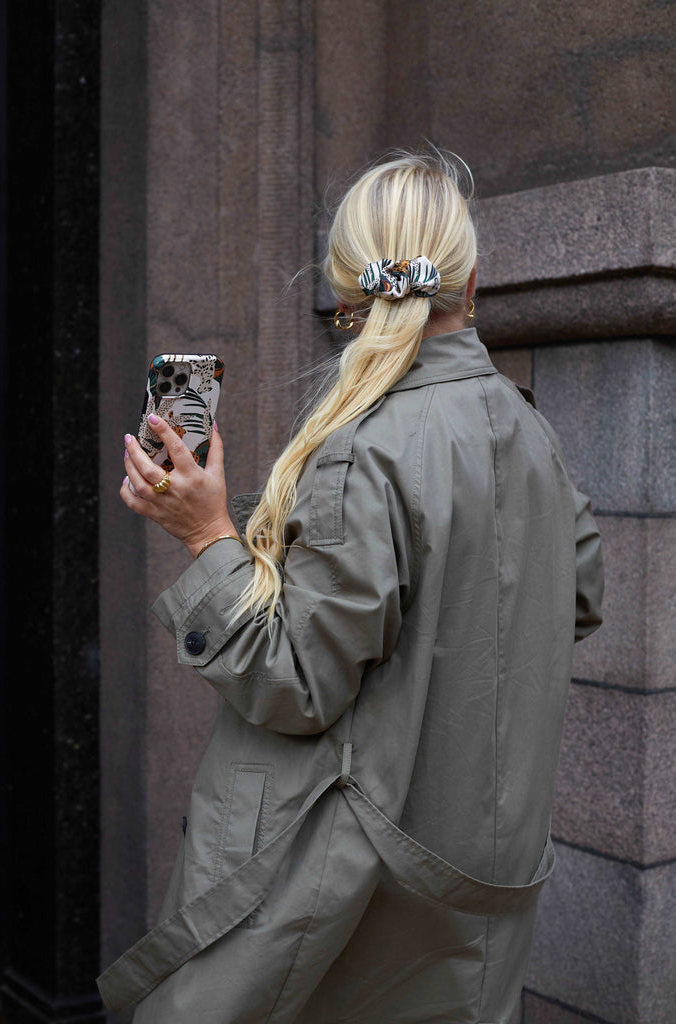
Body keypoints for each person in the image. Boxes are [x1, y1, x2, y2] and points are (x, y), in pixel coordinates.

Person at [98, 151, 604, 1024]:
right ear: (472, 282)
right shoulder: (527, 428)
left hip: (351, 892)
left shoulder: (363, 446)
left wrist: (205, 535)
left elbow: (292, 681)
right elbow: (575, 594)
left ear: (344, 290)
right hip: (475, 880)